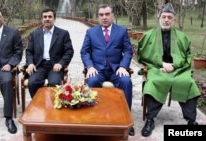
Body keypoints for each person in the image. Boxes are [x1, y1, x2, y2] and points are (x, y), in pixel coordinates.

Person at [138, 3, 201, 137]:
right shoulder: (149, 35)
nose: (166, 20)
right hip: (156, 68)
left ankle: (191, 121)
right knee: (153, 82)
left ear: (174, 20)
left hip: (178, 70)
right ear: (159, 17)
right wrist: (162, 63)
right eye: (164, 16)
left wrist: (173, 65)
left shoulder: (182, 37)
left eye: (169, 17)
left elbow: (187, 56)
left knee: (189, 83)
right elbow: (143, 54)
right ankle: (150, 120)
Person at [80, 4, 134, 136]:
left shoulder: (121, 31)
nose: (104, 17)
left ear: (113, 15)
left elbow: (128, 51)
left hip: (116, 69)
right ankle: (93, 118)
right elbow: (85, 52)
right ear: (98, 17)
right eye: (101, 15)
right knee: (91, 82)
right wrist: (90, 66)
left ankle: (126, 121)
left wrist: (123, 66)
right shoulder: (91, 32)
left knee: (126, 82)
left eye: (107, 14)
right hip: (97, 69)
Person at [25, 8, 74, 98]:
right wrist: (30, 63)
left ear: (54, 19)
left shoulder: (63, 34)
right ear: (42, 19)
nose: (47, 19)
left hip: (55, 66)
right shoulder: (34, 34)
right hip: (39, 66)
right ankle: (38, 106)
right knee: (32, 82)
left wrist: (61, 63)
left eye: (50, 17)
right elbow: (29, 51)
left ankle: (53, 108)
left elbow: (69, 51)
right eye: (45, 17)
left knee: (54, 83)